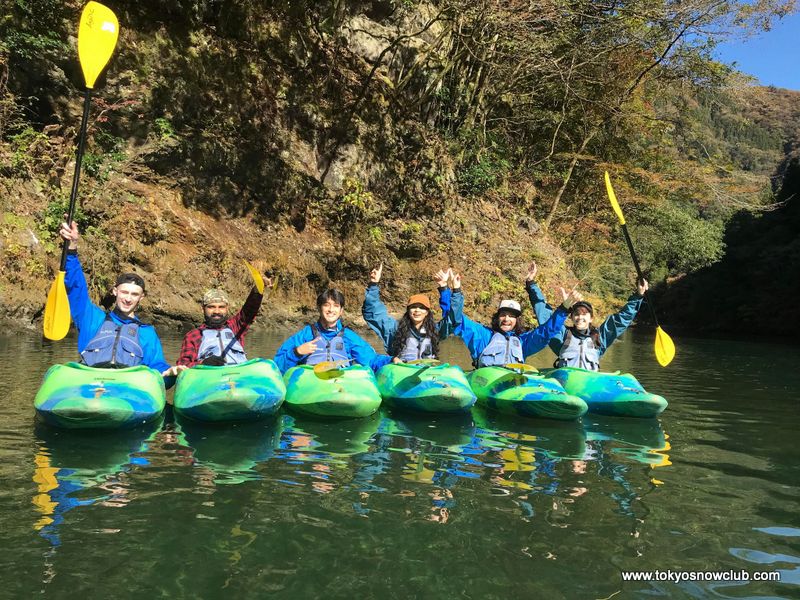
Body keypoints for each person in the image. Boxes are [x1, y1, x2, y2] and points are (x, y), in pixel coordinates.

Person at [58, 221, 184, 377]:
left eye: (134, 294)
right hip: (90, 379)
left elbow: (157, 367)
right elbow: (76, 287)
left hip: (125, 385)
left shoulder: (146, 332)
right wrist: (71, 249)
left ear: (141, 297)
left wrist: (170, 374)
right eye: (125, 292)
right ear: (115, 291)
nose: (128, 299)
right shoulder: (92, 318)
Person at [524, 261, 649, 371]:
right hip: (565, 384)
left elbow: (620, 320)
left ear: (591, 318)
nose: (580, 317)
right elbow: (544, 316)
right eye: (576, 314)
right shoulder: (562, 336)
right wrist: (531, 284)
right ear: (572, 318)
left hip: (589, 386)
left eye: (584, 314)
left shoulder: (599, 338)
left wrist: (638, 296)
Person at [449, 270, 582, 368]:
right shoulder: (483, 335)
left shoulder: (523, 341)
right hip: (488, 382)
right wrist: (456, 291)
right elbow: (457, 320)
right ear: (497, 317)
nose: (507, 319)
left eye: (512, 316)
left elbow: (547, 331)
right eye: (503, 315)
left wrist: (565, 308)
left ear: (517, 321)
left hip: (513, 384)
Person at [273, 288, 392, 373]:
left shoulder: (349, 337)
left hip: (340, 384)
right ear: (319, 308)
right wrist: (296, 352)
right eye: (326, 305)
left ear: (341, 311)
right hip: (311, 384)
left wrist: (391, 360)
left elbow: (371, 360)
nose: (331, 310)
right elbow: (278, 365)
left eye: (336, 306)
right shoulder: (305, 335)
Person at [361, 263, 453, 363]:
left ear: (427, 312)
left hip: (427, 371)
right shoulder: (394, 328)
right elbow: (374, 313)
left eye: (422, 308)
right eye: (413, 307)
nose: (417, 310)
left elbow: (453, 319)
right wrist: (374, 284)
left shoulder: (435, 330)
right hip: (402, 370)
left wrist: (444, 288)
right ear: (408, 311)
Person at [176, 273, 271, 367]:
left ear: (227, 308)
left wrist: (258, 288)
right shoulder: (193, 335)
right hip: (211, 376)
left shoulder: (235, 327)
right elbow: (183, 365)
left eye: (221, 307)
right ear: (203, 309)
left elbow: (250, 309)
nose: (216, 311)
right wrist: (202, 363)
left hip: (240, 374)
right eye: (211, 307)